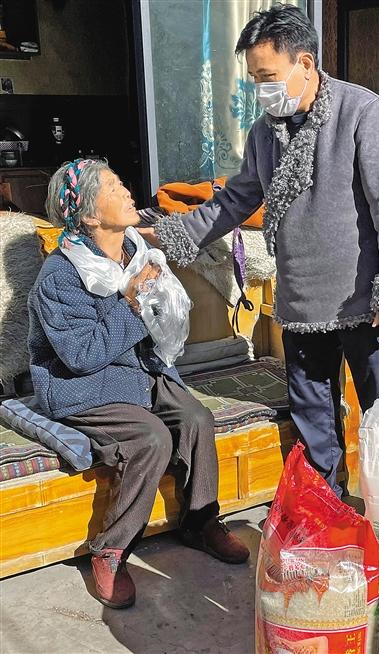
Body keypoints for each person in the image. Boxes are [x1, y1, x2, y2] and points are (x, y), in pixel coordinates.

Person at [144, 5, 379, 500]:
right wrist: (170, 234)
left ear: (305, 63)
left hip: (366, 303)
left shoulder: (363, 113)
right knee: (314, 420)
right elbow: (235, 201)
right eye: (254, 78)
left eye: (267, 76)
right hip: (301, 302)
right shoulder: (265, 133)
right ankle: (326, 510)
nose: (260, 89)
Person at [27, 159, 250, 610]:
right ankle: (110, 550)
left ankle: (200, 521)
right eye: (113, 188)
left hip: (139, 370)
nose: (128, 192)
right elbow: (81, 355)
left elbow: (162, 320)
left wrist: (159, 300)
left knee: (196, 418)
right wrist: (133, 303)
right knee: (150, 438)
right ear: (91, 216)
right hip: (82, 384)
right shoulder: (61, 276)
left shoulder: (135, 251)